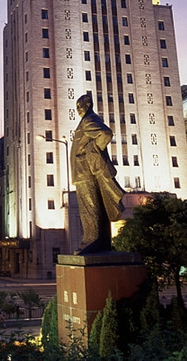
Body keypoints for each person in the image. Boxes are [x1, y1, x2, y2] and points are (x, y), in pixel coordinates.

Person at [70, 94, 125, 253]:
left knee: (89, 207)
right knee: (95, 206)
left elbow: (105, 134)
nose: (79, 109)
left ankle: (91, 239)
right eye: (77, 107)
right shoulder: (88, 120)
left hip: (85, 172)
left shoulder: (88, 120)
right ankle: (97, 240)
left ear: (89, 104)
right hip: (85, 171)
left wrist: (91, 150)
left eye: (81, 105)